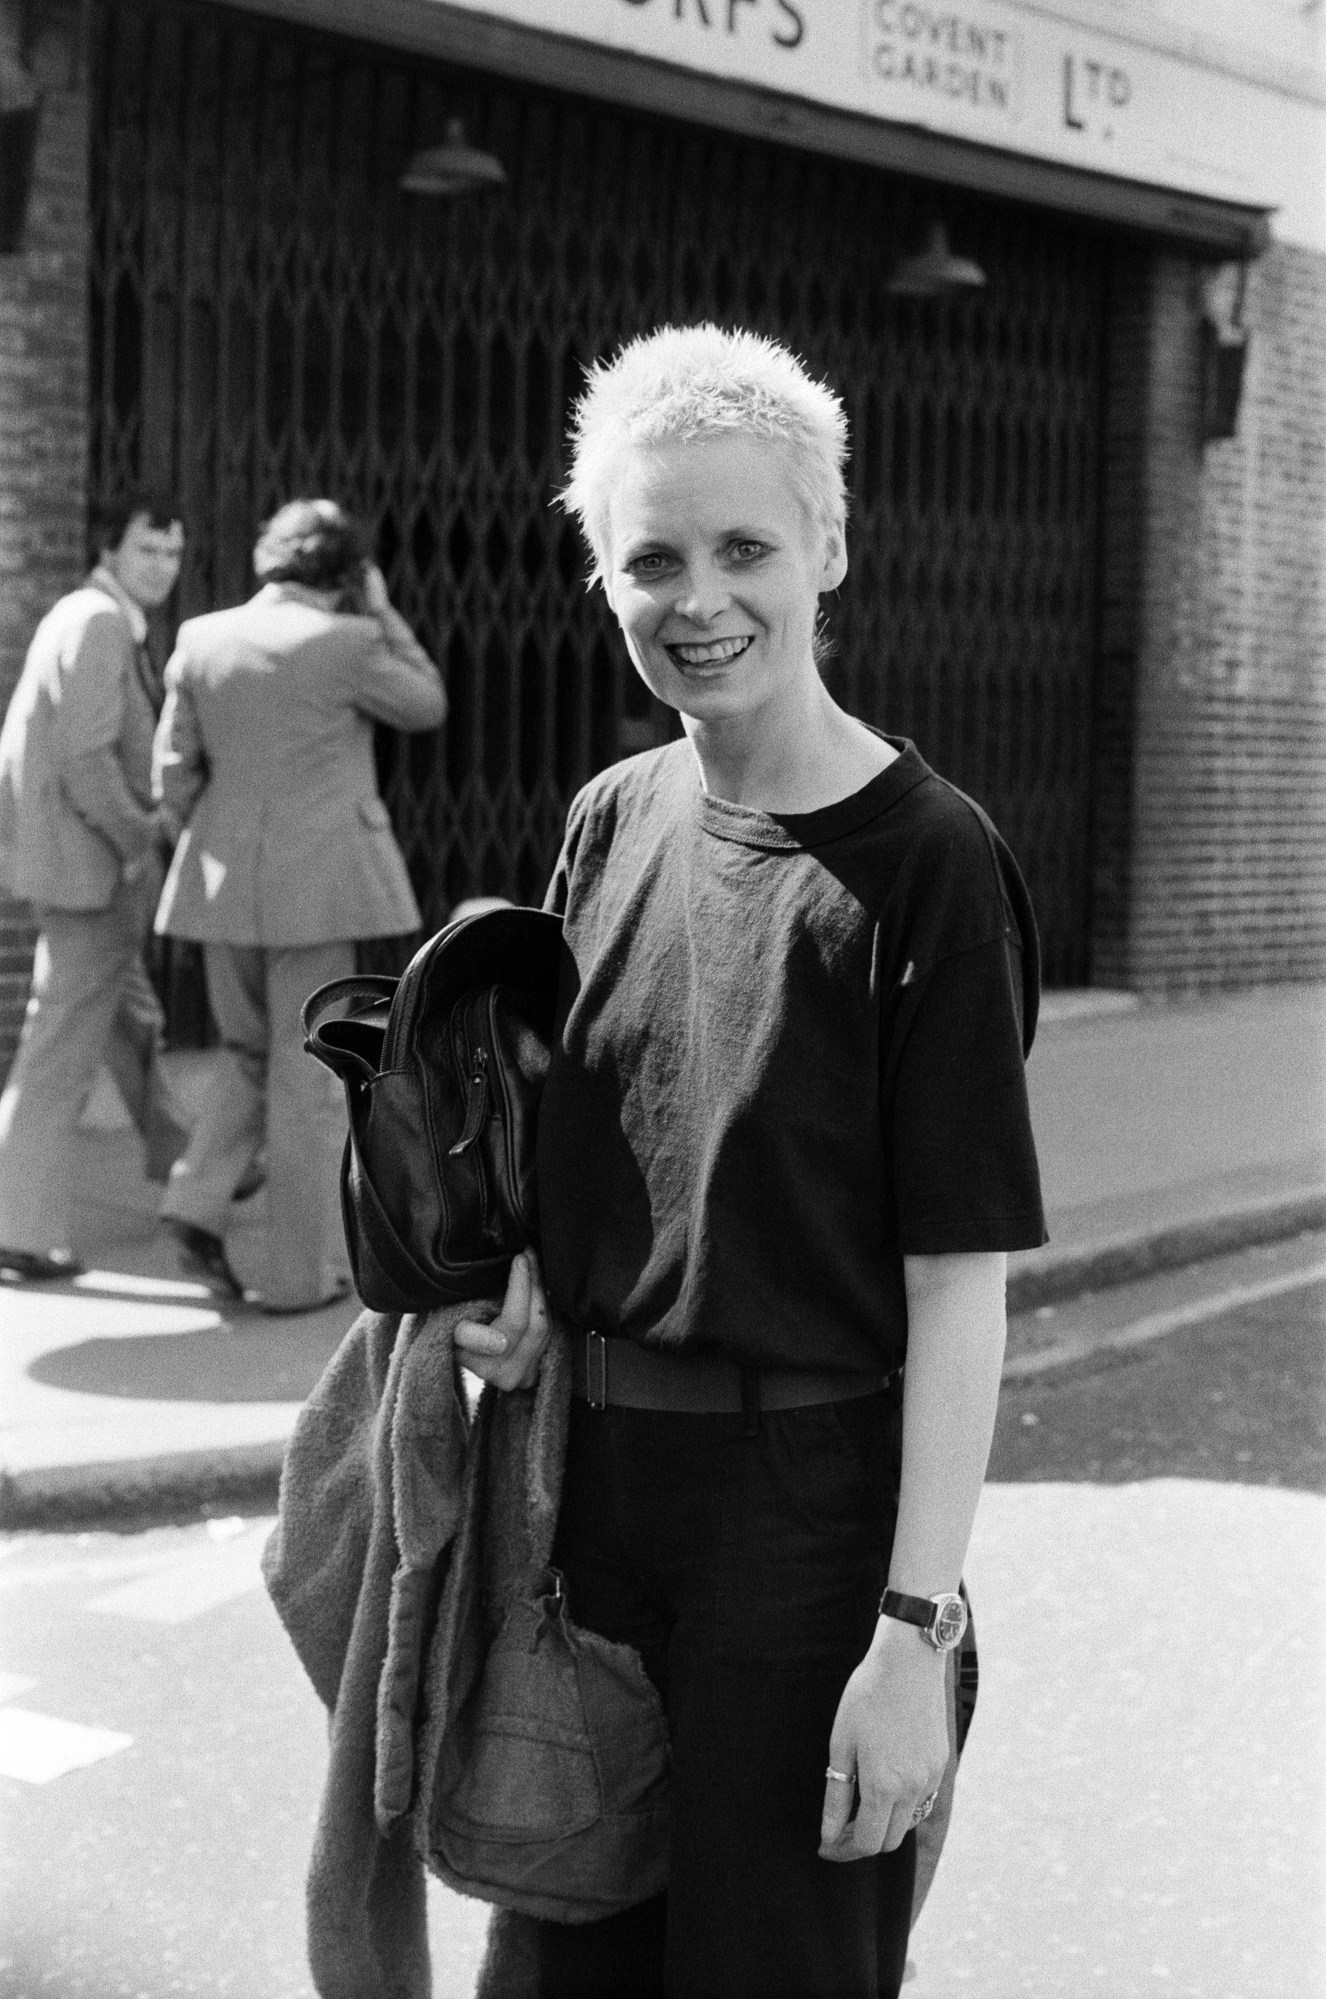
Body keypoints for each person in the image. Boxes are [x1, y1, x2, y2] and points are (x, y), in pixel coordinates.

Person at [451, 326, 1048, 1998]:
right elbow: (590, 1128)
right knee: (558, 1964)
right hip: (594, 1492)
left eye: (744, 549)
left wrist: (913, 1629)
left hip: (803, 1521)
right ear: (600, 572)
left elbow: (960, 1283)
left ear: (829, 548)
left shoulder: (927, 864)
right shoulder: (611, 814)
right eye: (651, 557)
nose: (695, 597)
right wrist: (521, 1282)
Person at [152, 499, 446, 1313]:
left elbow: (172, 771)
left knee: (246, 1053)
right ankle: (297, 1277)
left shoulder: (200, 638)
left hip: (216, 884)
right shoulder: (350, 643)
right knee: (308, 1077)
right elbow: (426, 703)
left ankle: (194, 1204)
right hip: (318, 888)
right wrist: (383, 612)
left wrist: (202, 843)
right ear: (350, 574)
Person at [0, 492, 189, 1281]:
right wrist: (139, 839)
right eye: (148, 550)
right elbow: (86, 758)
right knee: (59, 1050)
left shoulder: (86, 619)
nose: (163, 568)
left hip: (77, 869)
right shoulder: (100, 623)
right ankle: (18, 1227)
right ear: (109, 551)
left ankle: (193, 1163)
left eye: (174, 554)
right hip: (95, 873)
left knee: (128, 1017)